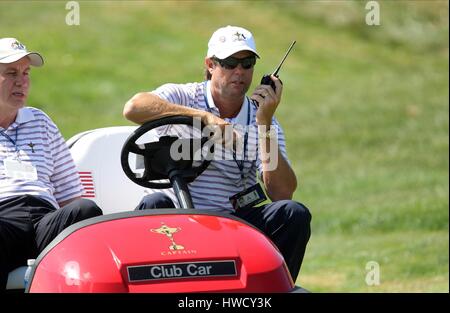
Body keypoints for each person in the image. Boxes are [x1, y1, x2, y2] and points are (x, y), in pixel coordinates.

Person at [123, 26, 311, 281]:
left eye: (247, 63)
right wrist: (204, 118)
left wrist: (264, 124)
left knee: (293, 213)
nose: (239, 71)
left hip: (233, 221)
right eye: (230, 62)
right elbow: (134, 108)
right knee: (154, 205)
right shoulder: (185, 96)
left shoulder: (263, 119)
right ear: (210, 64)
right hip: (177, 218)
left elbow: (281, 192)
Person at [0, 38, 102, 290]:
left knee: (86, 211)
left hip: (45, 221)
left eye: (26, 73)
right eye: (11, 73)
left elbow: (71, 196)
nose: (21, 81)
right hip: (3, 222)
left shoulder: (40, 121)